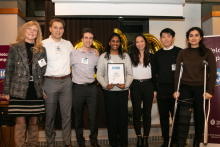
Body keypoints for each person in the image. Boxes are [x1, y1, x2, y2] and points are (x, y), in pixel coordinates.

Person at [3, 21, 47, 147]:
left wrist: (40, 86)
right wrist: (6, 91)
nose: (32, 32)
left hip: (35, 90)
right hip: (18, 90)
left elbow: (43, 69)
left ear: (37, 34)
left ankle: (33, 145)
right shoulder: (14, 48)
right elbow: (9, 70)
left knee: (34, 122)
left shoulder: (41, 50)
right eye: (30, 29)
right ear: (24, 31)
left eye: (35, 30)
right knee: (20, 121)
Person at [173, 27, 217, 147]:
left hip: (201, 89)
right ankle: (182, 143)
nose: (193, 38)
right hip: (185, 88)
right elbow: (177, 72)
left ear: (201, 37)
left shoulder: (208, 53)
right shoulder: (183, 53)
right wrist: (176, 90)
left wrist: (209, 90)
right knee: (183, 118)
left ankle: (197, 142)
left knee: (199, 117)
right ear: (187, 38)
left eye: (196, 35)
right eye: (191, 35)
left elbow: (213, 73)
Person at [97, 33, 133, 147]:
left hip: (122, 92)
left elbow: (130, 74)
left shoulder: (125, 56)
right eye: (113, 41)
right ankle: (113, 143)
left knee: (122, 118)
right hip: (109, 92)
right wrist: (105, 85)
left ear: (120, 43)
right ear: (109, 43)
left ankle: (123, 143)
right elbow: (99, 75)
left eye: (117, 41)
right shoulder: (103, 56)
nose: (115, 43)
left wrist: (126, 85)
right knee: (111, 118)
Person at [42, 18, 73, 147]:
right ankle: (50, 143)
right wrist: (40, 85)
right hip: (50, 82)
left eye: (61, 28)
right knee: (50, 116)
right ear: (50, 29)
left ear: (63, 30)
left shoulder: (68, 44)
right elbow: (37, 66)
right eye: (55, 27)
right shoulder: (42, 44)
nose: (58, 30)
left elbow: (77, 57)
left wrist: (93, 50)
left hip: (66, 82)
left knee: (67, 116)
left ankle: (67, 143)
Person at [70, 28, 100, 147]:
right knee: (78, 117)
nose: (88, 40)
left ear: (93, 40)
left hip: (92, 89)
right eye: (86, 38)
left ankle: (94, 140)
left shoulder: (96, 54)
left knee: (93, 116)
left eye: (90, 38)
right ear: (82, 39)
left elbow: (101, 70)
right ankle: (80, 141)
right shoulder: (74, 54)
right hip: (78, 89)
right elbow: (66, 68)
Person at [154, 28, 182, 147]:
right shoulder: (157, 54)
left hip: (176, 90)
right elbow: (154, 73)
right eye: (163, 37)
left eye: (168, 36)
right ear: (160, 39)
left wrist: (180, 89)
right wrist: (155, 89)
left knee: (176, 116)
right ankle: (166, 140)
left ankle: (175, 140)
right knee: (164, 117)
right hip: (162, 90)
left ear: (173, 38)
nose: (166, 39)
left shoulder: (180, 52)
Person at [129, 34, 156, 147]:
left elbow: (155, 75)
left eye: (141, 41)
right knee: (136, 113)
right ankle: (139, 138)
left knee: (147, 113)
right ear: (135, 44)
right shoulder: (130, 56)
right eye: (137, 42)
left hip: (148, 85)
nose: (139, 44)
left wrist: (155, 89)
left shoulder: (152, 56)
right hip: (134, 85)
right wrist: (128, 88)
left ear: (145, 42)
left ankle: (146, 138)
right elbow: (128, 73)